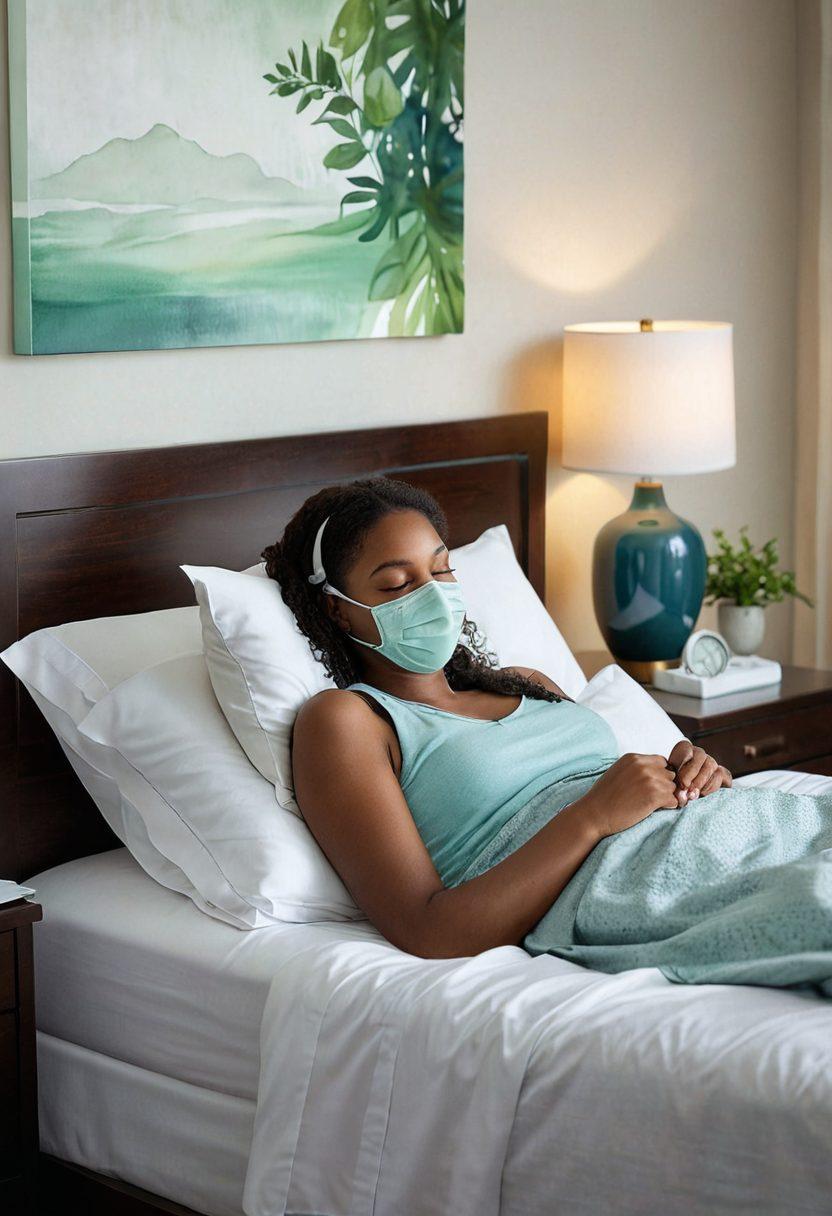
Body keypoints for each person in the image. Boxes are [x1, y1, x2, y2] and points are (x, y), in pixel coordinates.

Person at [263, 477, 832, 995]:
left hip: (717, 832)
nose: (431, 595)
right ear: (338, 611)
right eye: (396, 584)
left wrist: (690, 774)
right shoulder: (348, 721)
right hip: (629, 883)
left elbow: (619, 788)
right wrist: (593, 816)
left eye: (440, 570)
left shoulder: (526, 682)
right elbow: (426, 928)